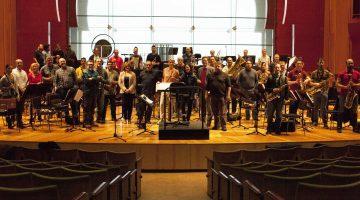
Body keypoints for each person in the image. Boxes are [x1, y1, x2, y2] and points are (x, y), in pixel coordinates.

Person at [336, 59, 360, 133]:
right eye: (349, 63)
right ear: (346, 64)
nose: (351, 65)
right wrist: (345, 87)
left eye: (352, 63)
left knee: (354, 111)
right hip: (343, 94)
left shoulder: (357, 73)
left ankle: (355, 127)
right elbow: (337, 84)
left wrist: (355, 84)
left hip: (354, 94)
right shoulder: (341, 73)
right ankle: (339, 127)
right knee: (341, 110)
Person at [206, 62, 231, 131]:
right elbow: (207, 87)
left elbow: (229, 87)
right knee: (215, 112)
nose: (217, 67)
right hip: (213, 96)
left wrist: (228, 95)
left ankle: (224, 126)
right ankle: (216, 125)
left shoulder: (225, 75)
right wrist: (206, 95)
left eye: (219, 66)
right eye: (216, 66)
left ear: (221, 66)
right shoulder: (210, 75)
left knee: (222, 113)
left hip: (222, 96)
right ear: (214, 66)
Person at [137, 61, 162, 128]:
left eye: (149, 65)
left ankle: (147, 119)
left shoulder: (155, 73)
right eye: (147, 65)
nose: (148, 66)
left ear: (152, 66)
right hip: (143, 94)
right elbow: (138, 83)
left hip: (151, 94)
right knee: (142, 108)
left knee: (150, 107)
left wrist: (157, 93)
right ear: (145, 66)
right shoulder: (141, 73)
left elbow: (158, 82)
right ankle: (141, 120)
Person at [309, 58, 333, 128]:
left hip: (324, 91)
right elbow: (310, 82)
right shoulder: (313, 73)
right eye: (320, 62)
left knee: (323, 108)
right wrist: (315, 84)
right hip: (316, 91)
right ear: (318, 63)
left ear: (324, 63)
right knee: (315, 107)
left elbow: (332, 77)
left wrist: (324, 82)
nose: (321, 64)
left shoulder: (327, 72)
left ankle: (325, 123)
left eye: (322, 63)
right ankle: (315, 122)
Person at [265, 63, 288, 135]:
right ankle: (269, 129)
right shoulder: (270, 77)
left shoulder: (284, 78)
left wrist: (286, 98)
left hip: (280, 99)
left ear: (280, 69)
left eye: (278, 68)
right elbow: (266, 88)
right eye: (276, 68)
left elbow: (286, 89)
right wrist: (273, 90)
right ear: (274, 69)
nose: (277, 69)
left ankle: (277, 130)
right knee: (270, 115)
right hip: (272, 99)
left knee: (279, 116)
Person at [54, 58, 78, 124]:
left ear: (66, 61)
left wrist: (75, 87)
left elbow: (76, 80)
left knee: (74, 104)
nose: (62, 62)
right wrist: (56, 87)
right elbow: (55, 81)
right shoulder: (57, 71)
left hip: (72, 89)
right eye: (61, 61)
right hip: (63, 90)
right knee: (65, 105)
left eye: (63, 61)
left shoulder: (72, 69)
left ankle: (75, 119)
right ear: (59, 63)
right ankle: (67, 119)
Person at [197, 57, 215, 127]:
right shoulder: (199, 69)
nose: (204, 61)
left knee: (209, 106)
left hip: (208, 90)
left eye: (205, 60)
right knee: (202, 105)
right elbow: (199, 78)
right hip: (201, 90)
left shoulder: (212, 69)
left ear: (208, 61)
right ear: (201, 61)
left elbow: (213, 80)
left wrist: (210, 90)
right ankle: (202, 121)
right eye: (203, 60)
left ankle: (209, 121)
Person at [82, 60, 99, 127]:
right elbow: (87, 81)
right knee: (86, 108)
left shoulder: (95, 72)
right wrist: (93, 79)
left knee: (93, 107)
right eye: (89, 64)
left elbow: (97, 79)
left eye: (91, 64)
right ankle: (86, 122)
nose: (90, 65)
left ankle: (91, 121)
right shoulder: (85, 72)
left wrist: (92, 79)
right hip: (87, 92)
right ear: (87, 65)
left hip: (94, 92)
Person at [12, 59, 28, 128]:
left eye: (20, 63)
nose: (19, 64)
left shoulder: (24, 72)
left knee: (21, 107)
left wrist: (24, 88)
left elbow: (26, 80)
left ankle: (20, 121)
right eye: (18, 63)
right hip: (17, 91)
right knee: (17, 107)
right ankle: (17, 122)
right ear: (16, 64)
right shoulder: (13, 71)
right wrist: (20, 88)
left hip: (23, 91)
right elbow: (15, 82)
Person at [94, 58, 108, 123]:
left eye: (100, 61)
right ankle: (94, 119)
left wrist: (102, 79)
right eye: (98, 61)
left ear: (102, 62)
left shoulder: (104, 71)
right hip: (94, 90)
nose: (99, 62)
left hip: (101, 90)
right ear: (96, 62)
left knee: (101, 105)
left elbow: (107, 81)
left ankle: (100, 118)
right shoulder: (93, 70)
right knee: (94, 105)